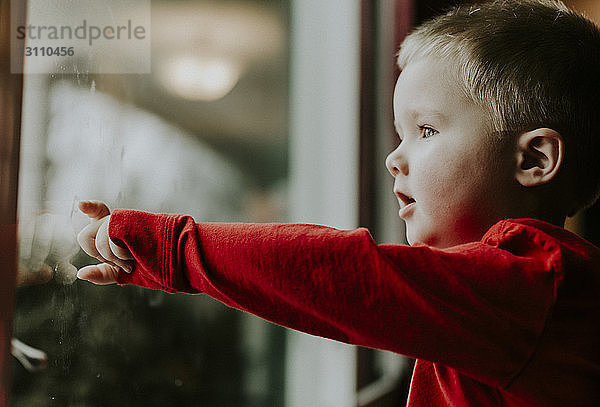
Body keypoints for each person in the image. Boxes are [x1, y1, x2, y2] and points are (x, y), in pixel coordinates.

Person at [76, 0, 600, 405]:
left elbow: (346, 275)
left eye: (425, 129)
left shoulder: (537, 282)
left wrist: (170, 248)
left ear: (534, 160)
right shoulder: (502, 310)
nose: (395, 158)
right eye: (400, 134)